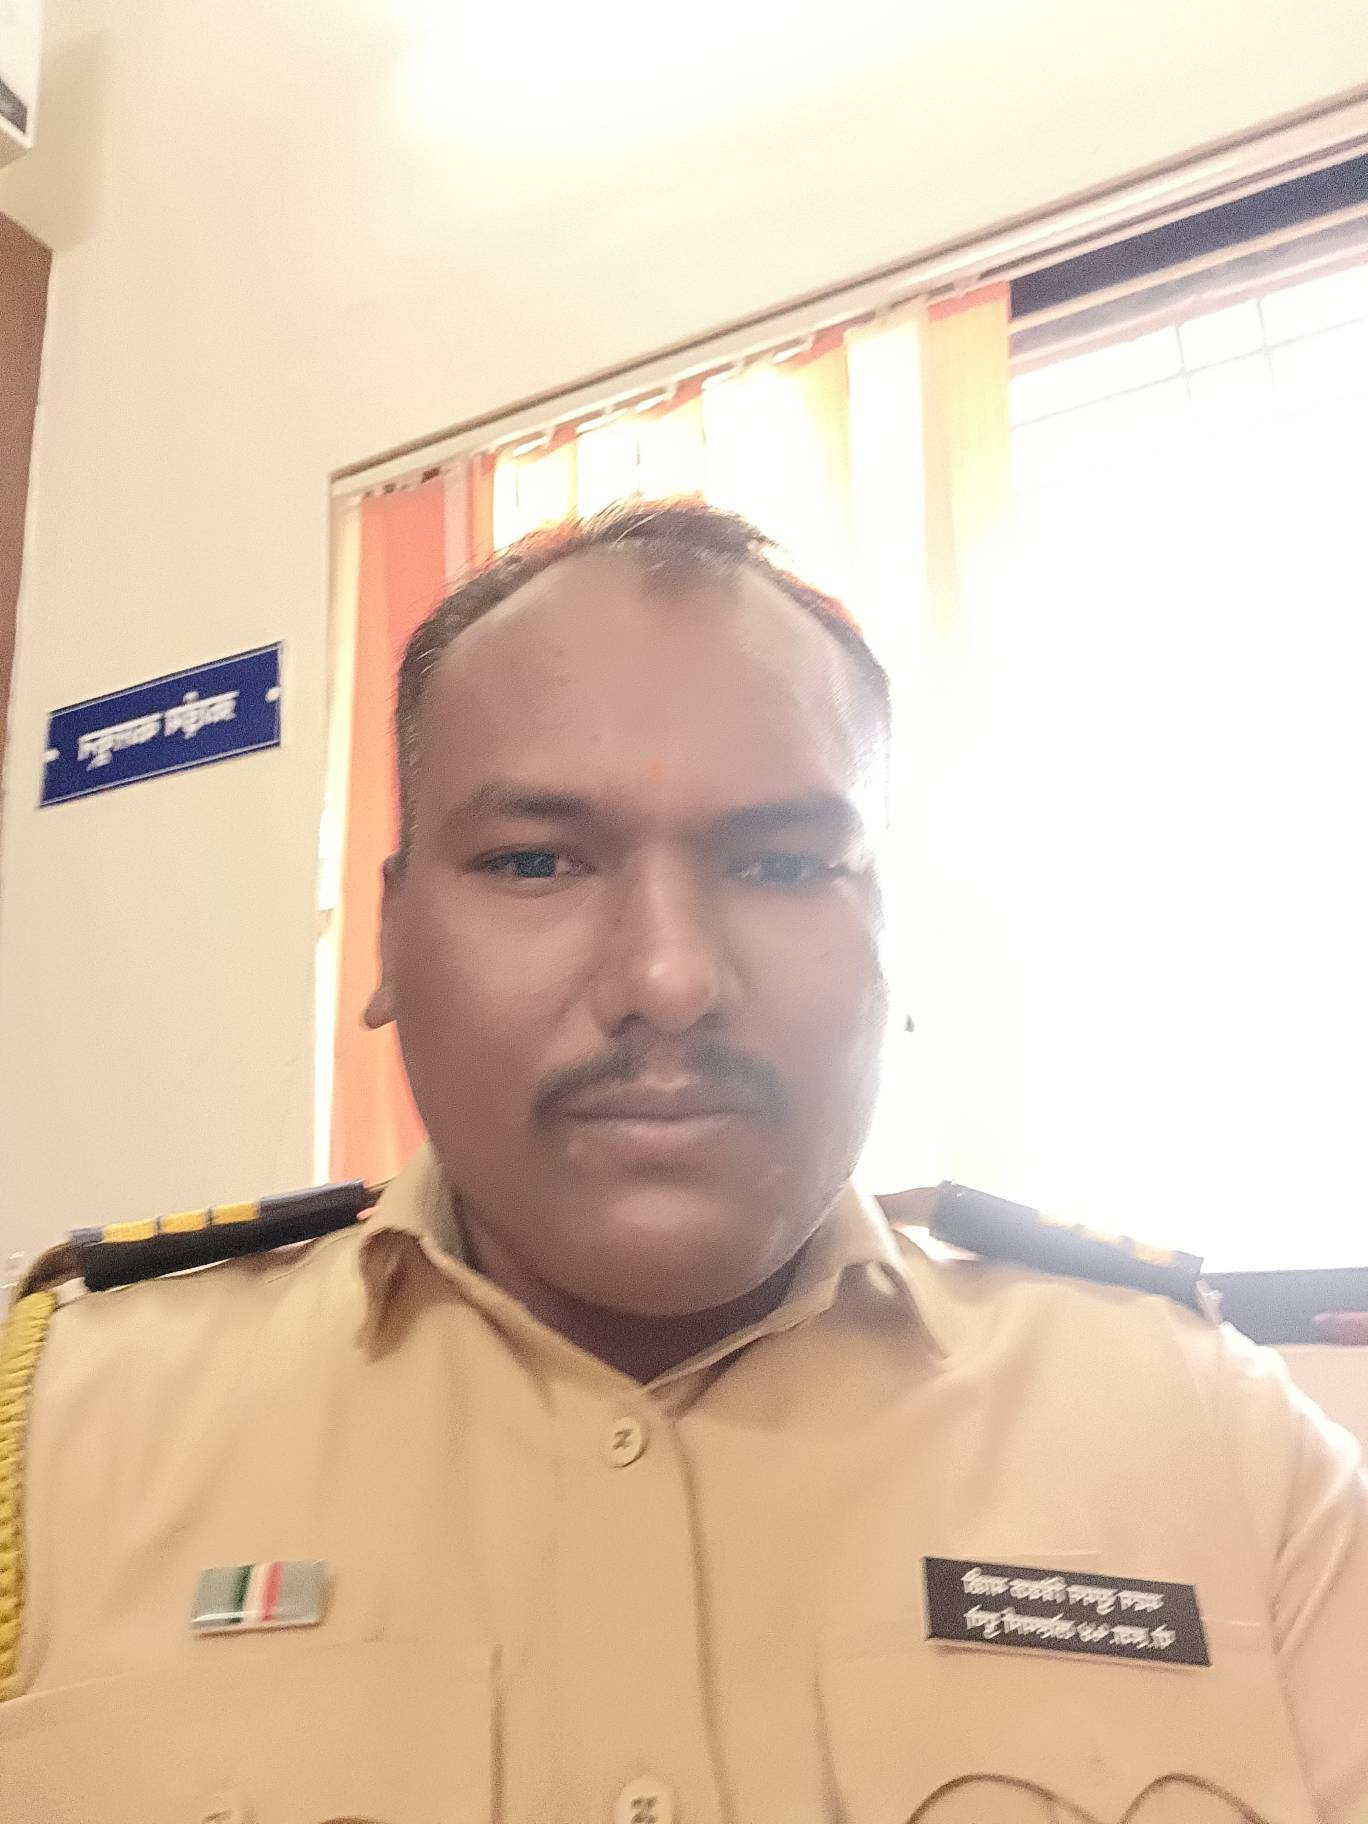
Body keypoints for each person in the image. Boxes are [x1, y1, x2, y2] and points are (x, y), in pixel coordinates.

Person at [2, 498, 1365, 1824]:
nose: (666, 979)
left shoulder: (1212, 1438)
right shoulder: (58, 1436)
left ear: (900, 938)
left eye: (782, 866)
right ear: (389, 939)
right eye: (535, 862)